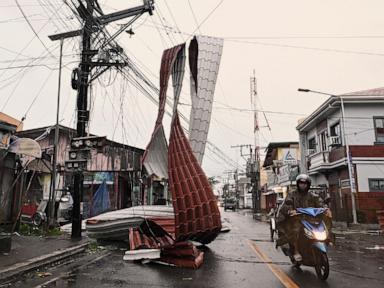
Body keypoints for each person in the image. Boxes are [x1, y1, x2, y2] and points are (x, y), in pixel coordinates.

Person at [276, 174, 332, 262]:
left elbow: (320, 203)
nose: (303, 185)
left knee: (325, 227)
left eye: (305, 183)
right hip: (297, 219)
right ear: (298, 184)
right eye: (301, 183)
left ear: (308, 184)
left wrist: (326, 209)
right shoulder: (292, 194)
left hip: (311, 220)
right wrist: (290, 210)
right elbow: (286, 205)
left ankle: (327, 242)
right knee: (295, 230)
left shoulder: (313, 196)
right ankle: (296, 251)